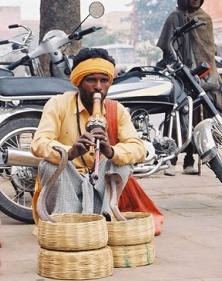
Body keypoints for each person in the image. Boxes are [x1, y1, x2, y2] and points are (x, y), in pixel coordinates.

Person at [30, 48, 146, 221]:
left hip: (100, 181)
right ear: (78, 82)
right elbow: (38, 143)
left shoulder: (117, 110)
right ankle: (64, 219)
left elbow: (138, 149)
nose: (98, 86)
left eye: (104, 80)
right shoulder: (58, 104)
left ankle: (106, 216)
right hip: (69, 178)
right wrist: (69, 152)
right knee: (50, 165)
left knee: (122, 164)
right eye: (91, 80)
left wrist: (111, 151)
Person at [157, 0, 222, 176]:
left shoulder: (205, 18)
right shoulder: (174, 17)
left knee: (197, 119)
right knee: (176, 117)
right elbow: (167, 47)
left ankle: (189, 161)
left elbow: (210, 49)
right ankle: (170, 160)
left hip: (202, 75)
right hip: (181, 75)